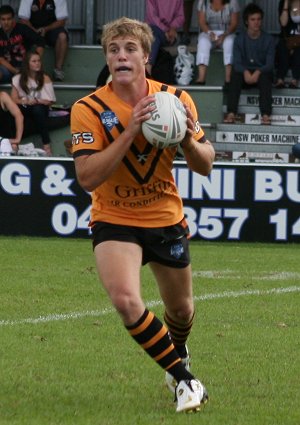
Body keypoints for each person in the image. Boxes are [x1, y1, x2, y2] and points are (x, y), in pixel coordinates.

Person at [71, 17, 215, 413]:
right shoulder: (89, 109)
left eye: (130, 49)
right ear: (107, 58)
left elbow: (206, 164)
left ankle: (178, 355)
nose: (121, 56)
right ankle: (187, 381)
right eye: (114, 50)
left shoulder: (176, 99)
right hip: (114, 216)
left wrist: (186, 138)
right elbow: (86, 176)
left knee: (182, 310)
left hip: (165, 216)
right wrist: (130, 130)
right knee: (125, 299)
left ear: (145, 57)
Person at [223, 3, 275, 125]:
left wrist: (258, 71)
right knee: (235, 75)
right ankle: (231, 112)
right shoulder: (239, 39)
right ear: (246, 22)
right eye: (252, 20)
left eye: (258, 19)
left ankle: (266, 114)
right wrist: (245, 71)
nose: (256, 22)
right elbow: (236, 62)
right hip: (244, 74)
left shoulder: (268, 39)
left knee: (266, 76)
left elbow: (270, 63)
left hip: (261, 74)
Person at [11, 50, 56, 156]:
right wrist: (24, 101)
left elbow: (50, 101)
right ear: (27, 64)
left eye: (39, 61)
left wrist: (36, 101)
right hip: (25, 107)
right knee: (14, 110)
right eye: (34, 61)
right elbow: (13, 99)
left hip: (40, 108)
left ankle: (46, 144)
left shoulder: (45, 78)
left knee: (37, 110)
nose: (37, 63)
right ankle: (13, 145)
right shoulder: (18, 78)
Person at [18, 0, 69, 82]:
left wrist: (45, 29)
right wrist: (34, 31)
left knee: (62, 36)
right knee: (20, 34)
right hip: (32, 29)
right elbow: (23, 19)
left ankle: (58, 70)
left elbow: (62, 21)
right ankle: (24, 70)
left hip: (51, 30)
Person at [195, 0, 240, 85]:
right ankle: (201, 78)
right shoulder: (203, 2)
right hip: (208, 31)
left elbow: (234, 23)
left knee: (230, 43)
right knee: (202, 41)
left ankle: (228, 79)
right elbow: (202, 22)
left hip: (227, 32)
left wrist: (224, 35)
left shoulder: (232, 2)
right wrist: (210, 33)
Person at [0, 4, 44, 83]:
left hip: (26, 68)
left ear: (13, 19)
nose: (6, 22)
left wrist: (35, 61)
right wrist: (16, 71)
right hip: (8, 69)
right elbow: (1, 59)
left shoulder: (22, 28)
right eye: (3, 19)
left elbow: (40, 41)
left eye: (8, 19)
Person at [145, 0, 185, 76]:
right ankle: (148, 69)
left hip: (169, 35)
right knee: (153, 34)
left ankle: (148, 68)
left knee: (154, 37)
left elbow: (181, 16)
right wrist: (165, 30)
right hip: (155, 30)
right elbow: (152, 17)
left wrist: (172, 28)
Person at [275, 0, 300, 88]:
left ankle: (295, 79)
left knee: (298, 51)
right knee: (282, 47)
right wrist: (286, 4)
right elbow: (283, 23)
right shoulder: (283, 3)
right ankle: (280, 79)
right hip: (287, 38)